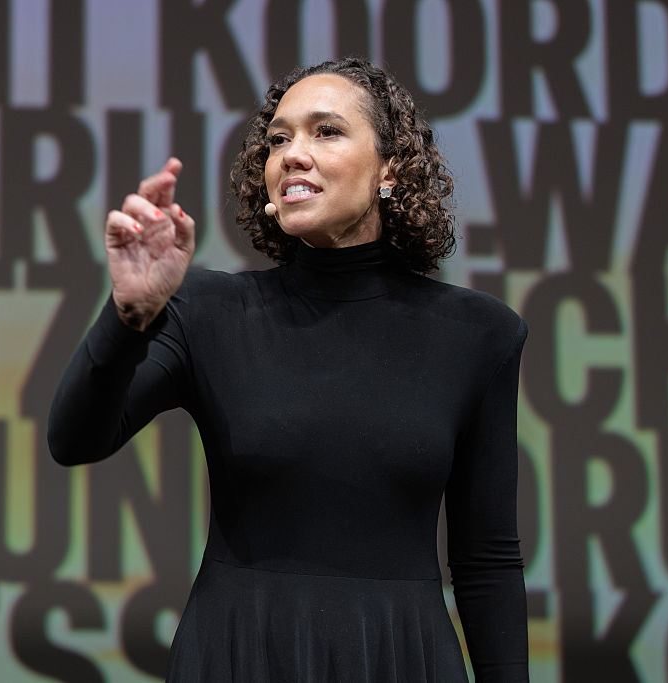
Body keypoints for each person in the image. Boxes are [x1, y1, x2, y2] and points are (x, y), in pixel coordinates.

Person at [48, 56, 529, 682]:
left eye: (326, 131)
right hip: (240, 654)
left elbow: (486, 558)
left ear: (391, 167)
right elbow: (75, 439)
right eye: (279, 139)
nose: (292, 155)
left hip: (398, 658)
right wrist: (128, 318)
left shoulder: (479, 334)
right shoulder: (209, 309)